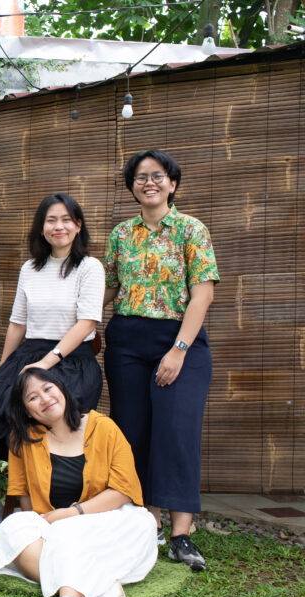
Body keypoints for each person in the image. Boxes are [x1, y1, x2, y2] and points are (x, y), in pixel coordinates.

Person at [0, 193, 105, 534]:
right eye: (51, 220)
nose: (59, 226)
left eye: (67, 219)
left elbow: (87, 323)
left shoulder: (89, 267)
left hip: (71, 361)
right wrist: (3, 369)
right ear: (41, 228)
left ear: (78, 225)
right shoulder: (30, 268)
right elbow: (17, 323)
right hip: (28, 357)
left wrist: (49, 361)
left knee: (42, 424)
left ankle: (43, 511)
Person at [0, 368, 157, 597]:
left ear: (61, 389)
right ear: (26, 410)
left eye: (48, 389)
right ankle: (98, 594)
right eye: (32, 397)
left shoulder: (104, 427)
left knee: (141, 522)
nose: (45, 399)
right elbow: (23, 496)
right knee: (12, 528)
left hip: (107, 520)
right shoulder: (22, 440)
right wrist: (43, 523)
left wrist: (73, 513)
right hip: (53, 525)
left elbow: (124, 491)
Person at [104, 149, 219, 571]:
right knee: (131, 432)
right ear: (132, 185)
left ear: (172, 182)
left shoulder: (192, 230)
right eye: (140, 177)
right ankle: (144, 524)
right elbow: (110, 290)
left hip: (180, 339)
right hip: (127, 341)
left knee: (177, 431)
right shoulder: (120, 234)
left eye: (157, 176)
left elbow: (203, 292)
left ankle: (181, 534)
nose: (148, 182)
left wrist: (178, 350)